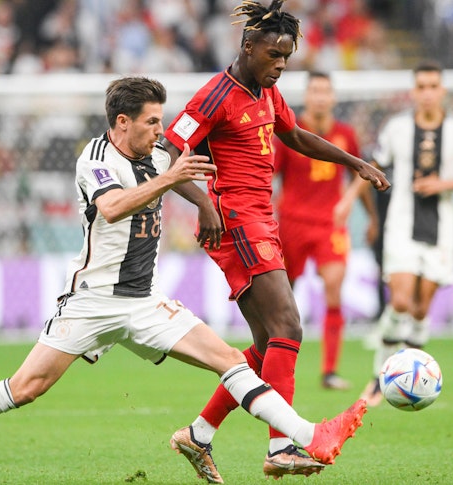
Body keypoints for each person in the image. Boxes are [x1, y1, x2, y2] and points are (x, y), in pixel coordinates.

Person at [0, 76, 355, 485]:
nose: (160, 130)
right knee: (25, 388)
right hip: (91, 302)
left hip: (145, 302)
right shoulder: (93, 158)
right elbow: (112, 207)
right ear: (122, 122)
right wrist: (171, 178)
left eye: (161, 120)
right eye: (152, 122)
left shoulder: (154, 158)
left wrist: (205, 200)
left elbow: (190, 169)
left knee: (230, 359)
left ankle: (304, 437)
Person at [161, 1, 390, 482]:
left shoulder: (266, 91)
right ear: (248, 47)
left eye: (287, 57)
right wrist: (203, 204)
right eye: (273, 55)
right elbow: (167, 153)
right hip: (237, 222)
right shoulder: (214, 96)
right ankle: (282, 446)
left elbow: (298, 137)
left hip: (261, 221)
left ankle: (198, 434)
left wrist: (356, 163)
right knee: (288, 324)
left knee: (267, 345)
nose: (281, 65)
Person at [357, 61, 453, 407]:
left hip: (441, 230)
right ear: (413, 92)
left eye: (433, 86)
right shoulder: (396, 128)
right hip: (400, 225)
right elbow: (372, 167)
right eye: (421, 86)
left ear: (442, 91)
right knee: (400, 301)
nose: (427, 93)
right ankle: (377, 378)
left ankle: (413, 379)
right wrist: (349, 204)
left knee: (419, 310)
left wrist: (444, 183)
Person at [272, 71, 377, 391]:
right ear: (308, 96)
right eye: (314, 91)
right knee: (280, 297)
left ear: (333, 98)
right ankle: (270, 360)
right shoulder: (289, 132)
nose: (320, 96)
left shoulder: (345, 134)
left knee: (334, 287)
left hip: (330, 224)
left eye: (325, 91)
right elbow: (269, 176)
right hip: (291, 223)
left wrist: (358, 208)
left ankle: (330, 371)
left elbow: (361, 172)